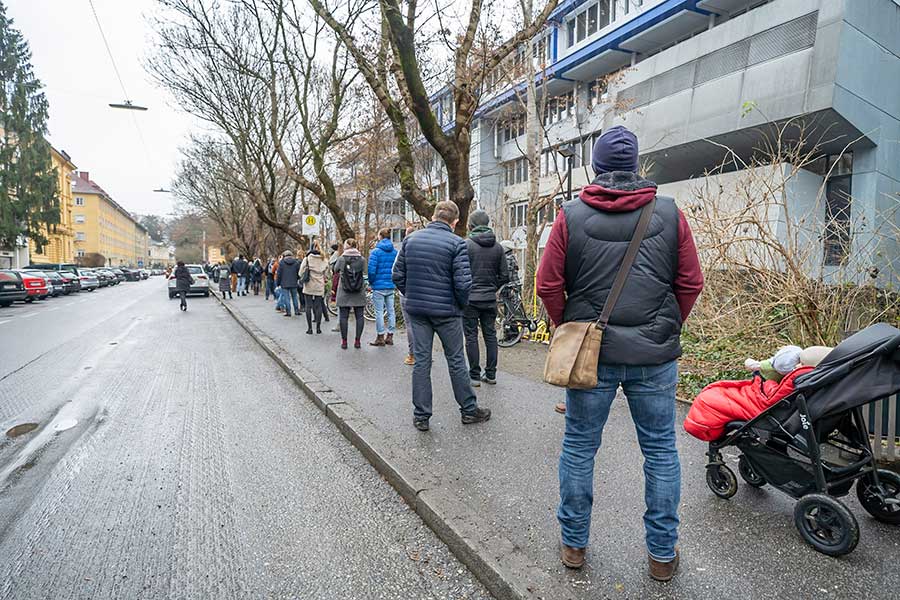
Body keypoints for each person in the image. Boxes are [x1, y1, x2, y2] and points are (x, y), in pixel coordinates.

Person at [536, 125, 704, 582]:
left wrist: (568, 327)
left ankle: (574, 544)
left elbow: (548, 284)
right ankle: (661, 555)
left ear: (596, 166)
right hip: (655, 357)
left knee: (579, 446)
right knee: (661, 450)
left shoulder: (570, 215)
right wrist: (667, 326)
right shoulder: (669, 213)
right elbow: (691, 282)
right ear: (635, 167)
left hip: (591, 354)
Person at [392, 200, 492, 432]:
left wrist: (413, 294)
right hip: (447, 312)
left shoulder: (411, 240)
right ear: (455, 221)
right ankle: (468, 410)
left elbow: (397, 275)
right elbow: (463, 284)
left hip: (418, 312)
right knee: (456, 360)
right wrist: (459, 305)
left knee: (422, 361)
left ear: (434, 216)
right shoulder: (457, 243)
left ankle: (421, 416)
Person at [463, 210, 508, 387]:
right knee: (490, 336)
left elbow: (459, 273)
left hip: (470, 299)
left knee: (471, 337)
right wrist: (492, 288)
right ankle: (491, 374)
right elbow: (504, 276)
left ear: (472, 225)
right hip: (489, 299)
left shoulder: (466, 245)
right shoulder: (498, 247)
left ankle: (474, 375)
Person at [333, 239, 367, 349]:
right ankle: (357, 341)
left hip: (344, 290)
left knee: (343, 317)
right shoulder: (362, 259)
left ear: (347, 246)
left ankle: (344, 342)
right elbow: (365, 272)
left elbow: (335, 270)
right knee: (360, 316)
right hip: (359, 290)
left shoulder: (341, 258)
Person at [367, 228, 399, 347]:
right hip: (390, 285)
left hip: (378, 286)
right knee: (391, 311)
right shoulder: (395, 252)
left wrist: (371, 282)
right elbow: (397, 269)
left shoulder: (375, 252)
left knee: (379, 312)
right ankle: (390, 336)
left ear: (380, 236)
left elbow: (371, 270)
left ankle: (380, 337)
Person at [300, 241, 329, 335]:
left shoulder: (307, 258)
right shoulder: (324, 259)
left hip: (309, 284)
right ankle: (318, 328)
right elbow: (327, 274)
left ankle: (310, 329)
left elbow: (300, 272)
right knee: (318, 306)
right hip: (319, 285)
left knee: (308, 306)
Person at [399, 226, 417, 366]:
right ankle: (424, 353)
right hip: (425, 294)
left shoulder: (404, 250)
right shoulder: (427, 249)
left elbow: (396, 273)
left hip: (408, 293)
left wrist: (404, 291)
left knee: (410, 324)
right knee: (424, 325)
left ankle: (413, 355)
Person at [275, 250, 301, 317]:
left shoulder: (282, 263)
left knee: (287, 298)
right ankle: (296, 311)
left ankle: (288, 312)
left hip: (284, 283)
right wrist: (297, 279)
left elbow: (279, 274)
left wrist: (278, 283)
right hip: (294, 283)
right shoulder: (296, 262)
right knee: (295, 297)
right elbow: (299, 273)